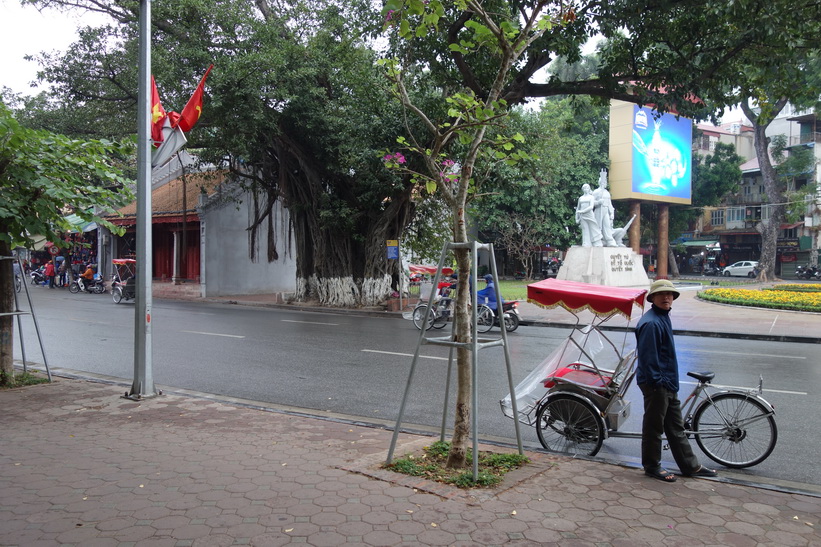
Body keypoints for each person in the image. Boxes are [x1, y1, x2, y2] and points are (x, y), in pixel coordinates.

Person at [635, 279, 718, 483]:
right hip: (657, 384)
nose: (667, 297)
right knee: (654, 427)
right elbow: (649, 360)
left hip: (667, 382)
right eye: (662, 294)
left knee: (676, 427)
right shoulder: (651, 323)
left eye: (670, 294)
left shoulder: (663, 316)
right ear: (652, 298)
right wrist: (659, 383)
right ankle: (652, 466)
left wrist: (669, 382)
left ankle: (691, 466)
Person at [592, 169, 617, 246]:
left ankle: (609, 240)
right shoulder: (596, 192)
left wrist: (611, 213)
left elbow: (610, 204)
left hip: (606, 210)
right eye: (603, 182)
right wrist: (598, 202)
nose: (604, 183)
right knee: (598, 226)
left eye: (605, 182)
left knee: (607, 226)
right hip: (599, 210)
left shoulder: (606, 193)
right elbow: (592, 203)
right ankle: (597, 240)